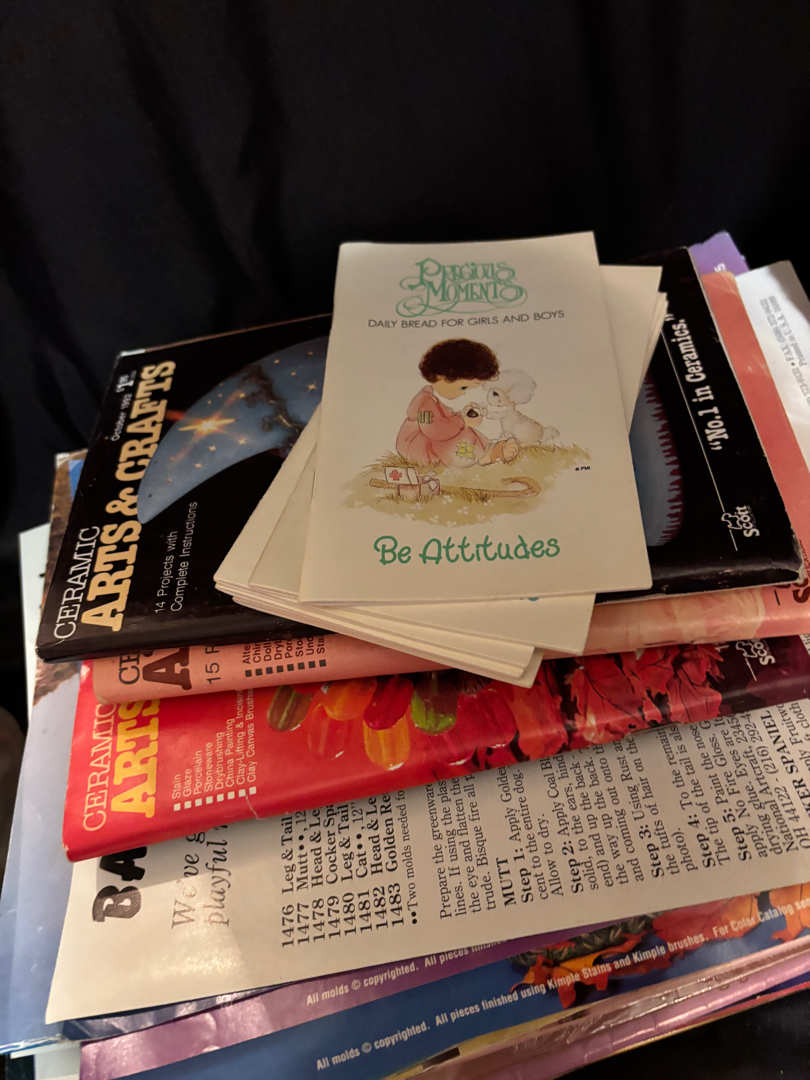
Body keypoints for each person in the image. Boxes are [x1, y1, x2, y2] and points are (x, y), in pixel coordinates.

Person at [396, 338, 519, 468]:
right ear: (441, 377)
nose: (464, 393)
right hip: (419, 447)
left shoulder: (432, 397)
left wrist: (463, 415)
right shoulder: (424, 406)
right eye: (463, 387)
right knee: (460, 437)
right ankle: (485, 456)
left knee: (464, 431)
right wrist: (463, 421)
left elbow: (444, 421)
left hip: (433, 438)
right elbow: (435, 431)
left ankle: (487, 451)